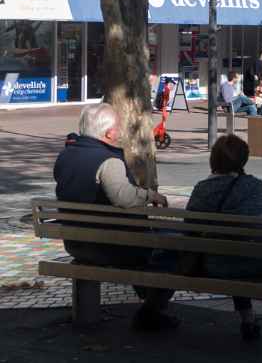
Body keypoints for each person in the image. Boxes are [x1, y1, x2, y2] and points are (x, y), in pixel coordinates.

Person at [53, 104, 176, 331]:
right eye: (118, 127)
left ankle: (149, 300)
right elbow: (124, 197)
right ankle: (151, 308)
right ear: (109, 133)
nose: (121, 131)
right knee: (170, 248)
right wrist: (149, 195)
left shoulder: (65, 156)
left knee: (149, 247)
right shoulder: (108, 161)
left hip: (75, 241)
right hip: (107, 244)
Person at [186, 135, 262, 342]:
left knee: (232, 254)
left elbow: (190, 229)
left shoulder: (202, 189)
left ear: (214, 160)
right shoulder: (256, 186)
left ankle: (248, 320)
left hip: (220, 264)